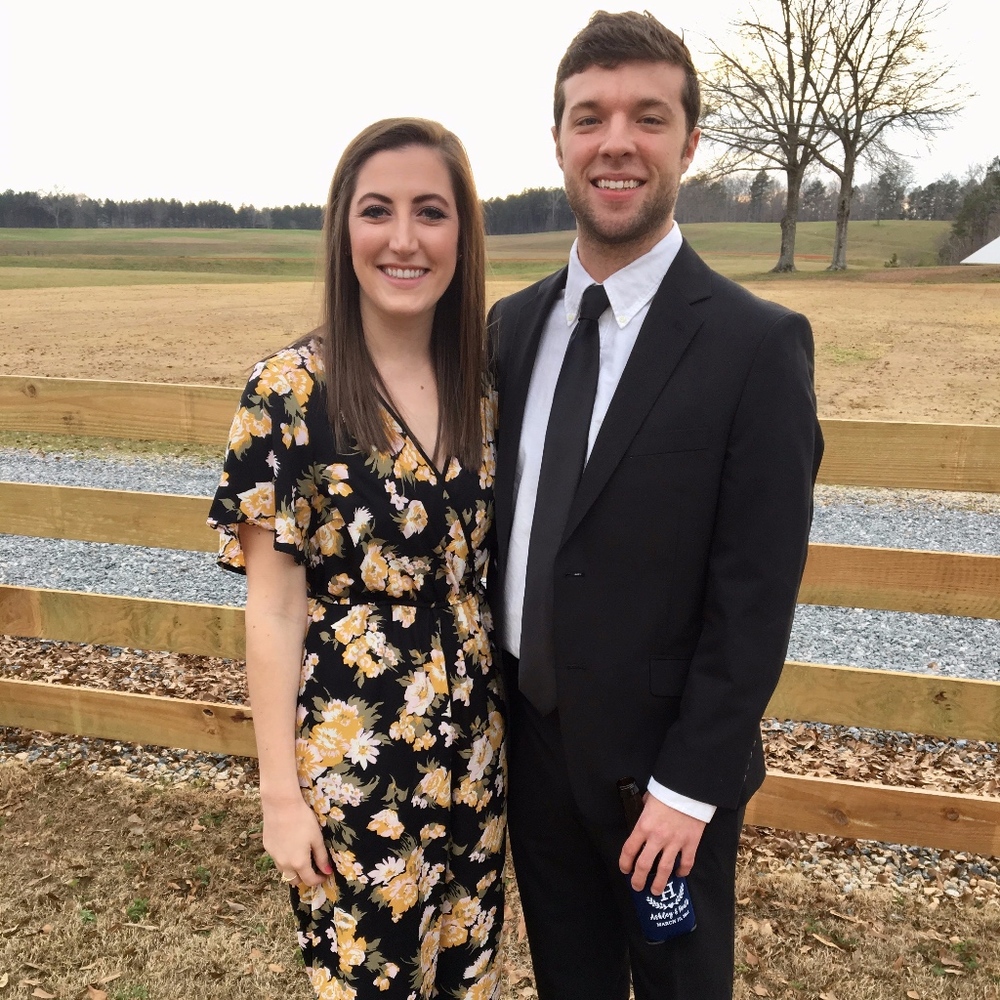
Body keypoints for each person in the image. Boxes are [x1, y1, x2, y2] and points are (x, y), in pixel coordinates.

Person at [490, 12, 823, 1000]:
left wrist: (689, 788)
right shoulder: (510, 330)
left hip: (663, 785)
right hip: (534, 755)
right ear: (559, 140)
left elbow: (755, 596)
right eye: (589, 117)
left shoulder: (756, 346)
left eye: (648, 116)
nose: (616, 142)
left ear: (689, 142)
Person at [208, 118, 505, 1000]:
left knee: (468, 977)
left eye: (431, 212)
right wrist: (280, 796)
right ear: (343, 229)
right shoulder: (289, 393)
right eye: (378, 211)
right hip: (354, 763)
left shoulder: (486, 387)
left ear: (463, 234)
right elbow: (273, 608)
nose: (404, 238)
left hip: (477, 756)